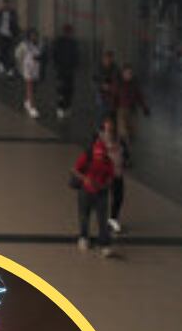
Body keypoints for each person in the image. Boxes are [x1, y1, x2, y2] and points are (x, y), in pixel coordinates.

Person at [74, 118, 118, 256]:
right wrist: (86, 179)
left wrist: (106, 184)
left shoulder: (108, 158)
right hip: (86, 190)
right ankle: (84, 237)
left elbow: (111, 174)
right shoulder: (88, 154)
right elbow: (76, 169)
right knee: (84, 216)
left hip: (101, 191)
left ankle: (103, 243)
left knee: (101, 218)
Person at [110, 64, 148, 145]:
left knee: (132, 131)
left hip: (132, 109)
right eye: (127, 73)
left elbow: (139, 96)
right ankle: (122, 144)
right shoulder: (118, 84)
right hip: (121, 110)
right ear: (123, 74)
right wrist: (113, 109)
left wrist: (144, 107)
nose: (129, 75)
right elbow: (114, 96)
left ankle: (127, 143)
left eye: (130, 73)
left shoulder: (134, 84)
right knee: (122, 131)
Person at [49, 24, 80, 118]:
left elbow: (54, 54)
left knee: (66, 90)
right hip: (65, 70)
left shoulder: (61, 42)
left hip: (64, 70)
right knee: (64, 90)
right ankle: (63, 108)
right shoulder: (68, 42)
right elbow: (55, 54)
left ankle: (64, 108)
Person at [16, 28, 43, 118]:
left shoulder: (39, 44)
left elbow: (42, 55)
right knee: (30, 87)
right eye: (32, 35)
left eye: (35, 35)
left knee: (34, 88)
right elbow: (18, 54)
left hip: (36, 68)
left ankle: (28, 101)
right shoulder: (24, 45)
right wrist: (21, 65)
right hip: (28, 69)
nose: (34, 37)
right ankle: (32, 108)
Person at [0, 0, 19, 79]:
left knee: (10, 52)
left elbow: (15, 23)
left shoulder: (12, 12)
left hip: (10, 35)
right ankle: (2, 65)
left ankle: (9, 69)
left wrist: (15, 33)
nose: (6, 5)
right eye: (4, 4)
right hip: (1, 35)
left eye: (7, 4)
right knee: (3, 50)